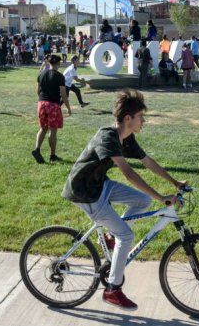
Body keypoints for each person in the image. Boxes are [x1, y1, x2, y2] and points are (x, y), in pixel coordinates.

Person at [62, 88, 187, 310]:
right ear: (127, 118)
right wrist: (161, 198)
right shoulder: (108, 136)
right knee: (126, 235)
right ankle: (113, 289)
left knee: (142, 201)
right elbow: (129, 174)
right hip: (85, 193)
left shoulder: (127, 138)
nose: (143, 121)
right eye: (141, 117)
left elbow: (148, 162)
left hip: (100, 185)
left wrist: (175, 183)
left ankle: (111, 235)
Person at [32, 55, 71, 164]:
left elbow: (38, 91)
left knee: (43, 128)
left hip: (41, 103)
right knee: (53, 130)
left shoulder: (41, 74)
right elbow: (63, 94)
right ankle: (52, 155)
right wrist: (68, 107)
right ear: (58, 63)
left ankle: (37, 149)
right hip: (53, 105)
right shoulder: (59, 76)